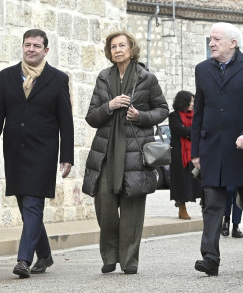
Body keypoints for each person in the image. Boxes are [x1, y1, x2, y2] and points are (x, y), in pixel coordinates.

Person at [0, 29, 74, 278]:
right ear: (22, 47)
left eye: (37, 45)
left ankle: (24, 260)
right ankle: (44, 255)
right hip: (15, 150)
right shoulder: (6, 76)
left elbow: (66, 121)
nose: (31, 49)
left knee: (34, 203)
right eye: (27, 45)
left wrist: (66, 156)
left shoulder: (57, 79)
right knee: (26, 207)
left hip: (43, 152)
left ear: (46, 50)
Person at [82, 31, 168, 274]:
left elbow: (162, 110)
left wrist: (141, 116)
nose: (117, 50)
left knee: (132, 211)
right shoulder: (102, 78)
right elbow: (91, 117)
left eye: (122, 45)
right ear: (109, 52)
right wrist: (109, 106)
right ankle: (109, 256)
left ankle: (129, 260)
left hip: (135, 154)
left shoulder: (146, 78)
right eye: (113, 47)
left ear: (131, 49)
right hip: (106, 154)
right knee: (105, 208)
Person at [191, 22, 243, 276]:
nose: (211, 43)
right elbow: (199, 112)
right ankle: (210, 258)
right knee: (212, 204)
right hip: (213, 147)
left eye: (216, 39)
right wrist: (195, 150)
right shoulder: (202, 69)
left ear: (232, 43)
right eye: (210, 39)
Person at [168, 90, 202, 220]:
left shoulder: (197, 115)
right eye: (191, 101)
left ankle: (205, 205)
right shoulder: (174, 116)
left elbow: (200, 129)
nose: (193, 103)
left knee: (197, 180)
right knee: (181, 182)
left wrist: (190, 132)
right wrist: (193, 132)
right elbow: (180, 130)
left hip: (195, 154)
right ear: (184, 102)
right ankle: (182, 207)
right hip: (179, 155)